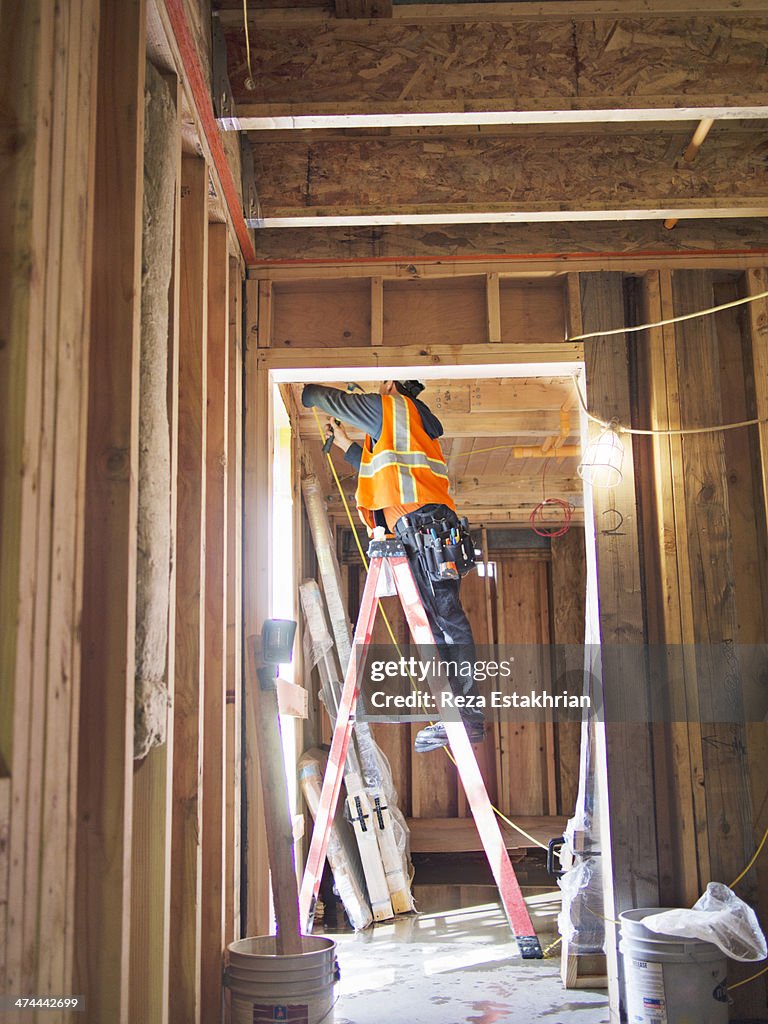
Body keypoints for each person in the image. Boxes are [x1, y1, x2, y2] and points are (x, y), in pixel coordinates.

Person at [301, 379, 485, 752]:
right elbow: (380, 472)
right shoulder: (408, 423)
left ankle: (466, 718)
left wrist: (311, 389)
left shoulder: (390, 408)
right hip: (426, 527)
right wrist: (343, 443)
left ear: (389, 383)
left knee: (446, 623)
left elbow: (318, 396)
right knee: (440, 624)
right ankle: (461, 717)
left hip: (423, 528)